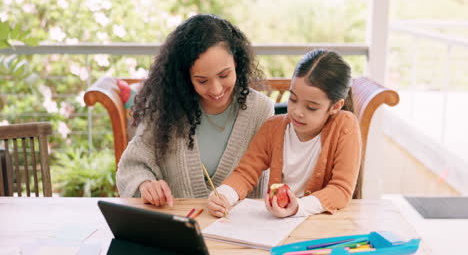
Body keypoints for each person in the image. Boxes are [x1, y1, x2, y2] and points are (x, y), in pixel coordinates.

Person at [116, 14, 274, 207]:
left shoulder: (261, 110)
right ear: (185, 77)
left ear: (237, 64)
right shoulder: (165, 108)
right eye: (202, 80)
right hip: (177, 226)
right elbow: (132, 167)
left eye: (224, 75)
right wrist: (145, 184)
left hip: (240, 230)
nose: (216, 90)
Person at [207, 49, 362, 218]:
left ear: (335, 106)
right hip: (277, 224)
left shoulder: (345, 126)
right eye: (293, 99)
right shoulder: (272, 128)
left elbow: (341, 190)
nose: (297, 112)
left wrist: (299, 207)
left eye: (311, 107)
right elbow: (245, 173)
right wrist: (224, 195)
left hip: (320, 222)